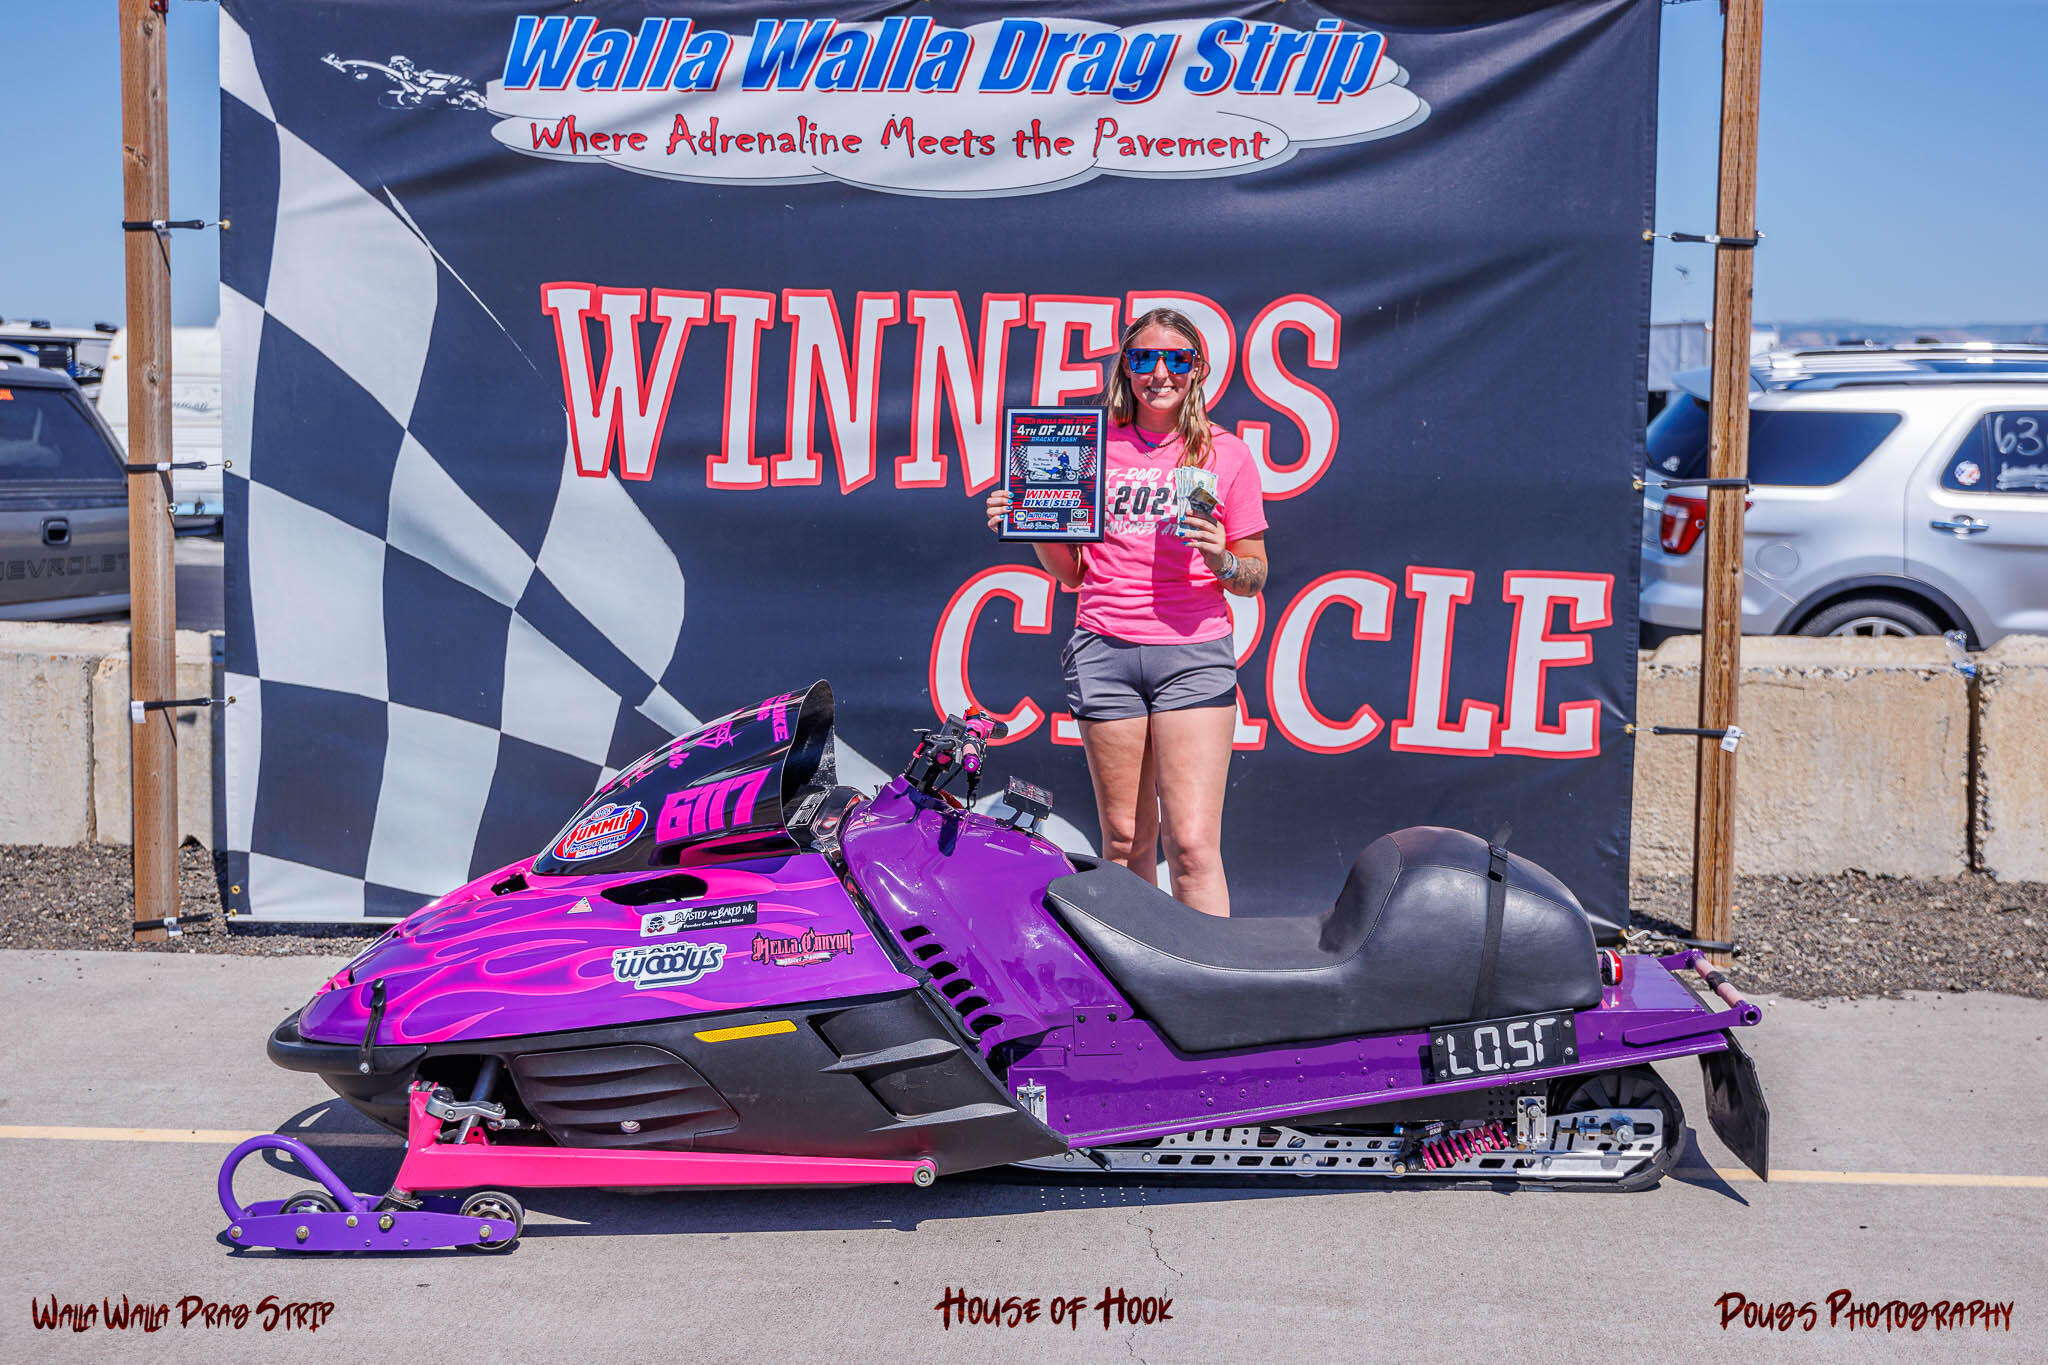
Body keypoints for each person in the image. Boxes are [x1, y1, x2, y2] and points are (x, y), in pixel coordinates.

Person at [985, 309, 1269, 916]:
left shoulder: (1228, 454)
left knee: (1191, 846)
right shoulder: (1087, 445)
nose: (1158, 372)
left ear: (1198, 370)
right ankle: (1139, 994)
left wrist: (1221, 558)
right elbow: (1068, 573)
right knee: (1124, 842)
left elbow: (1253, 577)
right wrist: (1029, 521)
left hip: (1194, 654)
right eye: (1143, 358)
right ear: (1125, 368)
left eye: (1176, 359)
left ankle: (1211, 993)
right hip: (1105, 650)